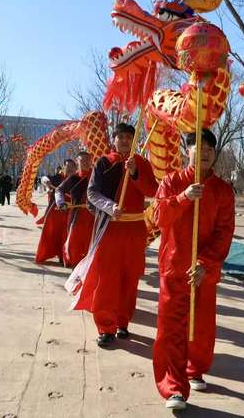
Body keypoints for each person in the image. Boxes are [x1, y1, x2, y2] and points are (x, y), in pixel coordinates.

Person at [152, 129, 235, 410]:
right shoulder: (172, 182)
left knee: (201, 328)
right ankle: (173, 387)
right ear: (186, 151)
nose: (205, 153)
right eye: (199, 148)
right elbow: (159, 217)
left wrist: (205, 264)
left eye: (210, 149)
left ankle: (195, 368)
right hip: (174, 267)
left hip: (203, 272)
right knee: (171, 329)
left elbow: (224, 232)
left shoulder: (223, 190)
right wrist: (184, 197)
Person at [66, 122, 158, 348]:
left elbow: (152, 191)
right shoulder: (104, 162)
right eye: (121, 137)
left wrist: (135, 173)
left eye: (129, 137)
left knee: (130, 279)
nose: (125, 141)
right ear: (114, 140)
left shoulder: (141, 163)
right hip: (110, 229)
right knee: (107, 280)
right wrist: (110, 206)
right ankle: (105, 327)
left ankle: (122, 322)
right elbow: (92, 193)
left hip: (134, 230)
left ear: (134, 140)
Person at [56, 152, 94, 267]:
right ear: (78, 162)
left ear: (91, 161)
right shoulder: (74, 178)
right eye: (82, 160)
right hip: (77, 216)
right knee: (74, 242)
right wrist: (60, 202)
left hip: (94, 216)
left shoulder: (97, 176)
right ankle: (75, 265)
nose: (85, 162)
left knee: (92, 243)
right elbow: (59, 190)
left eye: (88, 160)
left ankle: (88, 266)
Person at [35, 161, 76, 264]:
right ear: (63, 167)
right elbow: (43, 178)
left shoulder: (77, 179)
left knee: (67, 234)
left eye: (72, 166)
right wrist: (47, 182)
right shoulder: (57, 178)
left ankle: (64, 256)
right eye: (67, 166)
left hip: (71, 211)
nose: (70, 169)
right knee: (53, 233)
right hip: (56, 211)